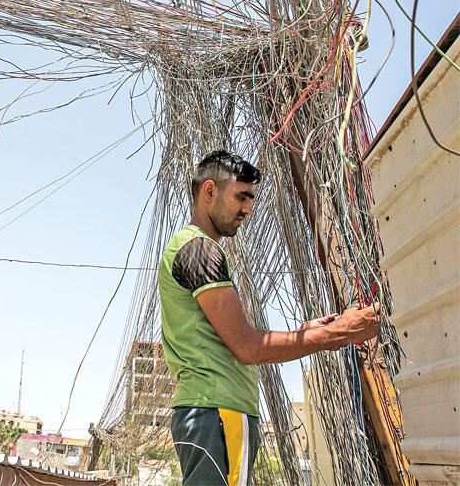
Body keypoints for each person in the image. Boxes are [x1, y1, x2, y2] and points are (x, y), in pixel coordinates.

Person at [158, 150, 380, 486]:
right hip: (217, 410)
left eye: (251, 199)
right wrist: (338, 333)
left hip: (211, 412)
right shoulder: (199, 250)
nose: (248, 209)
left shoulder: (192, 248)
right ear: (209, 191)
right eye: (241, 197)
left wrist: (305, 332)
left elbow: (235, 339)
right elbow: (248, 347)